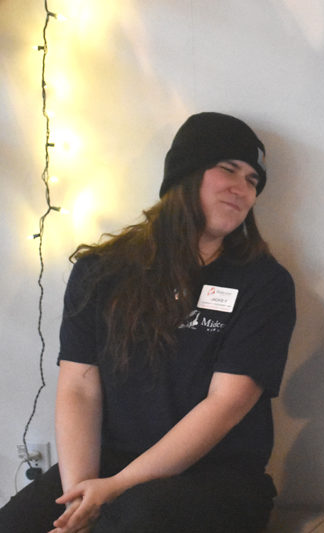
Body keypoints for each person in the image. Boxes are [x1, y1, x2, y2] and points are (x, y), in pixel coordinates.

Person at [0, 112, 296, 533]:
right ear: (185, 173)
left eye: (252, 180)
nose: (243, 189)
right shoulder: (100, 271)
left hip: (218, 480)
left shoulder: (264, 283)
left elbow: (226, 404)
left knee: (133, 520)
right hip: (108, 463)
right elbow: (80, 387)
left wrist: (116, 488)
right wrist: (80, 493)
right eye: (228, 169)